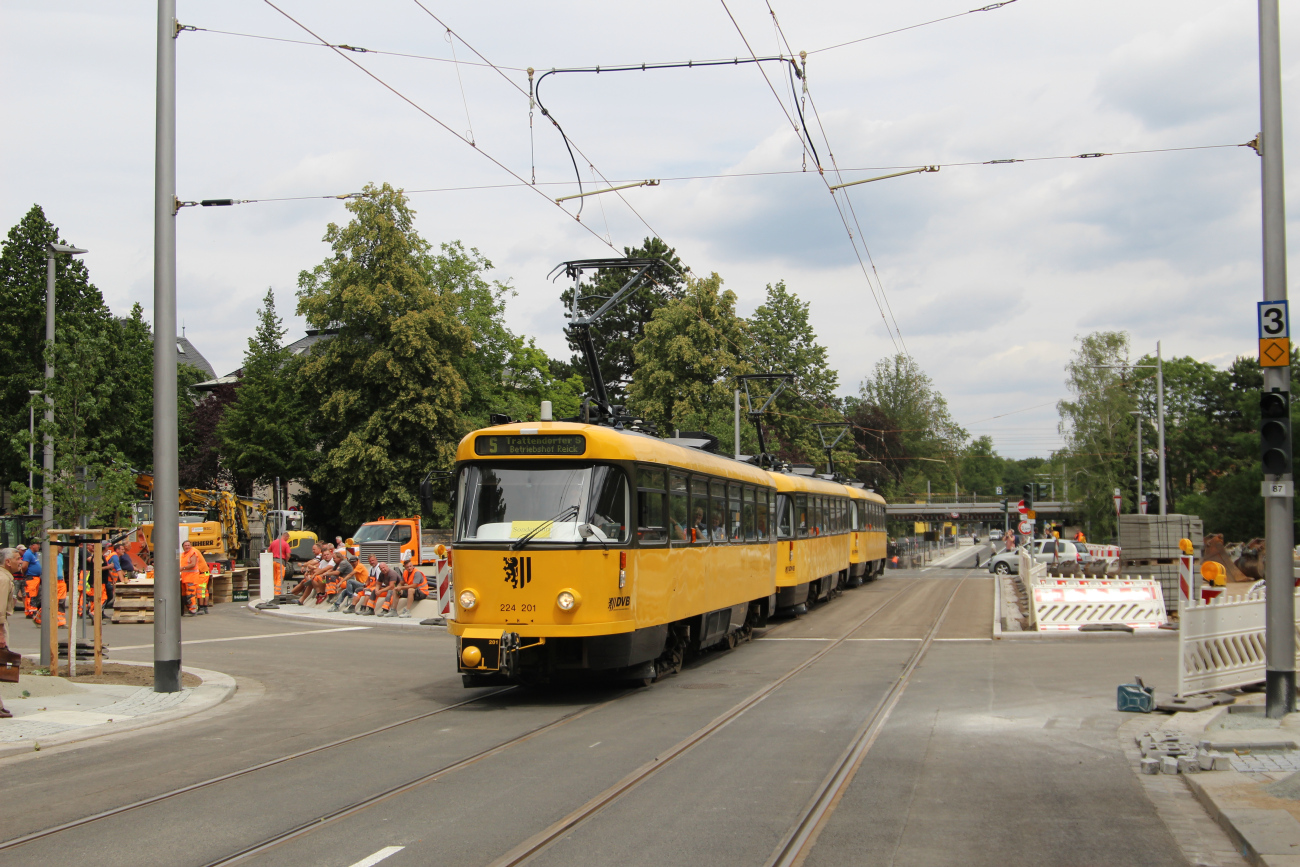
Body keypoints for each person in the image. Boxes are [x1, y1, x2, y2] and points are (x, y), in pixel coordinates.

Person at [0, 547, 19, 718]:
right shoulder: (3, 579)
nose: (20, 561)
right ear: (7, 562)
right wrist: (0, 634)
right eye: (17, 558)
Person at [386, 551, 428, 618]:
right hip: (412, 591)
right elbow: (401, 582)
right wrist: (398, 587)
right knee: (395, 590)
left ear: (412, 566)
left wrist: (401, 588)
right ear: (405, 568)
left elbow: (414, 586)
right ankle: (393, 610)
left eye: (410, 566)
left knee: (410, 590)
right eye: (407, 567)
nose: (409, 568)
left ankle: (407, 611)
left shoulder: (417, 573)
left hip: (422, 592)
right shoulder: (405, 572)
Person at [179, 539, 210, 615]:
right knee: (203, 591)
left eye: (188, 545)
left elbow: (192, 564)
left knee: (200, 591)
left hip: (202, 573)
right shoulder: (187, 553)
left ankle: (201, 608)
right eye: (185, 545)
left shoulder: (193, 552)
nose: (187, 547)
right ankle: (204, 608)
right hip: (202, 573)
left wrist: (182, 568)